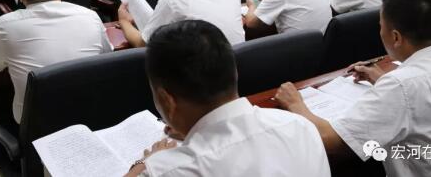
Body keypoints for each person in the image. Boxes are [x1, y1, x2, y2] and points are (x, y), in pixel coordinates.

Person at [275, 0, 431, 177]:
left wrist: (295, 103)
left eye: (381, 26)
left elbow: (332, 141)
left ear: (396, 37)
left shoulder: (400, 85)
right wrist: (382, 80)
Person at [125, 20, 330, 177]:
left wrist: (144, 163)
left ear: (167, 101)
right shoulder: (300, 126)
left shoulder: (165, 170)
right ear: (235, 73)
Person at [0, 0, 112, 123]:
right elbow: (107, 57)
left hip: (35, 127)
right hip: (87, 120)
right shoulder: (91, 17)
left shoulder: (5, 25)